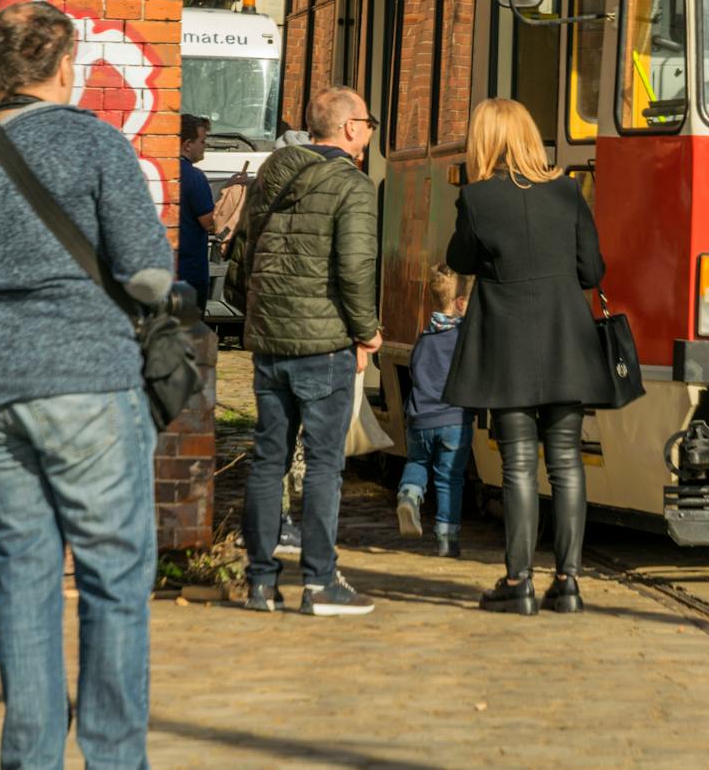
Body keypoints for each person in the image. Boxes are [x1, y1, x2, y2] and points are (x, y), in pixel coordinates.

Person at [0, 0, 173, 769]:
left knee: (22, 578)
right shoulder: (98, 144)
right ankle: (114, 760)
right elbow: (148, 277)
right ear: (65, 66)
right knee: (114, 576)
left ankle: (31, 758)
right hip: (88, 385)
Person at [444, 98, 609, 616]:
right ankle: (570, 581)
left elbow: (459, 260)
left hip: (508, 346)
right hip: (566, 342)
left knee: (517, 465)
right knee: (566, 463)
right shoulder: (566, 191)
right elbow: (593, 271)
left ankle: (519, 582)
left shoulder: (477, 198)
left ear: (485, 142)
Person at [225, 85, 381, 616]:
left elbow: (244, 248)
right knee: (322, 465)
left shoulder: (273, 172)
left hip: (270, 339)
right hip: (323, 344)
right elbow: (354, 269)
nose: (369, 132)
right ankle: (319, 583)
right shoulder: (352, 186)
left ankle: (261, 583)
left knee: (268, 460)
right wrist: (368, 331)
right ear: (350, 128)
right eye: (368, 122)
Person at [395, 265, 475, 558]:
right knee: (449, 479)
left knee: (417, 462)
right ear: (461, 303)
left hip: (419, 419)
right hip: (454, 420)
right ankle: (446, 539)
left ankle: (409, 494)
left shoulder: (424, 338)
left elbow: (415, 371)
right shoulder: (464, 339)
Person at [178, 113, 217, 312]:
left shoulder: (162, 172)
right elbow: (209, 223)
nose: (205, 146)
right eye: (202, 141)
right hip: (191, 272)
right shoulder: (195, 177)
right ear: (187, 145)